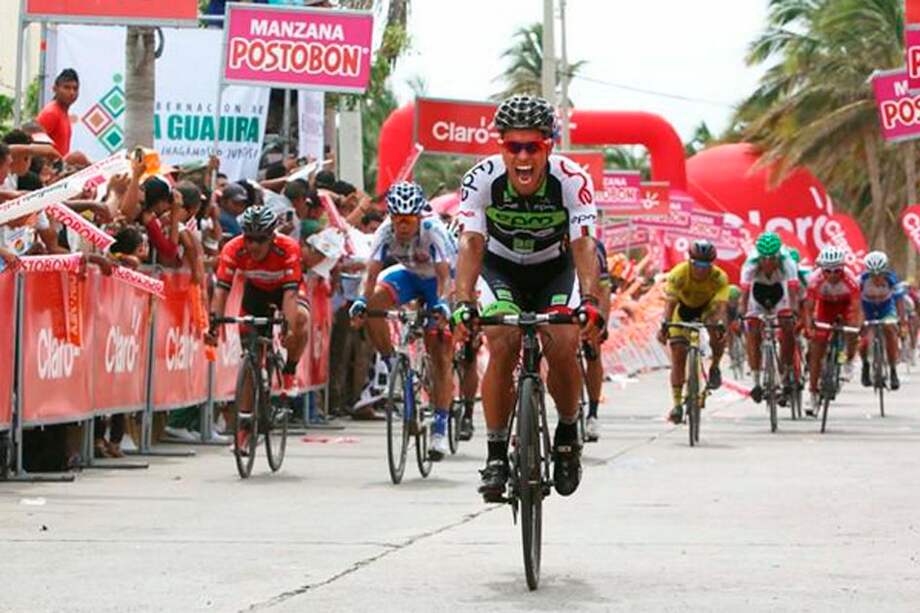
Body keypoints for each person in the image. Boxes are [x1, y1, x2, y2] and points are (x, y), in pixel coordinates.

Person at [450, 94, 603, 501]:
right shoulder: (480, 180)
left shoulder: (572, 180)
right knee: (501, 341)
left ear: (548, 146)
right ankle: (497, 453)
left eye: (531, 147)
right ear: (500, 146)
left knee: (564, 342)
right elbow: (470, 243)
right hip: (500, 270)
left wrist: (590, 300)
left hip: (555, 268)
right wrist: (463, 302)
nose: (521, 157)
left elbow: (585, 246)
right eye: (511, 146)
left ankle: (568, 431)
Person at [348, 182, 456, 460]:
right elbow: (371, 276)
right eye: (397, 219)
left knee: (441, 353)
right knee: (373, 304)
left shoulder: (433, 231)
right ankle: (391, 360)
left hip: (439, 281)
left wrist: (443, 305)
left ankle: (440, 428)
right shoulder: (385, 232)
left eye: (408, 220)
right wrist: (361, 301)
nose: (403, 226)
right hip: (408, 275)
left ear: (419, 216)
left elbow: (445, 278)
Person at [205, 206, 310, 452]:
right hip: (256, 293)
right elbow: (221, 290)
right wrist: (213, 323)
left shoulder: (288, 248)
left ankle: (289, 371)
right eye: (249, 238)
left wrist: (288, 324)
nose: (253, 246)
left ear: (272, 237)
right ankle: (243, 431)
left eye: (260, 240)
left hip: (286, 289)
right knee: (250, 359)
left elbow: (291, 294)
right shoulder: (233, 247)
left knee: (300, 321)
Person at [657, 240, 729, 424]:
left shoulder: (719, 277)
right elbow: (670, 303)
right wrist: (665, 324)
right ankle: (677, 404)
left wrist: (721, 325)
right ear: (690, 262)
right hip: (682, 310)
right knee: (678, 354)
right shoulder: (678, 274)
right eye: (697, 264)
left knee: (718, 332)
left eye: (706, 265)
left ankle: (715, 367)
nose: (701, 269)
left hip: (706, 309)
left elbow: (721, 306)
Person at [740, 231, 800, 403]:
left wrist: (793, 311)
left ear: (778, 256)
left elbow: (793, 290)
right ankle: (756, 381)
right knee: (753, 331)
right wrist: (743, 314)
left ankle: (786, 371)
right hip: (757, 292)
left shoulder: (787, 261)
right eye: (764, 259)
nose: (768, 262)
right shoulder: (750, 264)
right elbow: (744, 295)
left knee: (787, 328)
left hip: (779, 292)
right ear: (759, 257)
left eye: (772, 258)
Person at [801, 246, 860, 415]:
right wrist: (808, 326)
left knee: (851, 329)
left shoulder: (851, 280)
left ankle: (848, 360)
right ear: (821, 269)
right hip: (825, 307)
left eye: (837, 271)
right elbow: (809, 308)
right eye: (827, 271)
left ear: (843, 268)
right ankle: (812, 393)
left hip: (845, 305)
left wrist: (855, 326)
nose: (832, 275)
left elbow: (856, 309)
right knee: (816, 349)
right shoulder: (814, 280)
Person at [858, 251, 905, 390]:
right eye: (873, 274)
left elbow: (899, 302)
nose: (877, 277)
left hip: (886, 309)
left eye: (880, 274)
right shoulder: (861, 280)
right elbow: (856, 302)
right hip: (867, 309)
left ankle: (892, 370)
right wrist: (859, 321)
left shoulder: (892, 279)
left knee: (890, 331)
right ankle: (865, 364)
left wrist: (901, 322)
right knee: (864, 340)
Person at [583, 239, 613, 442]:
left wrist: (602, 323)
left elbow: (604, 291)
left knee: (593, 353)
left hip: (589, 301)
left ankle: (592, 413)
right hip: (562, 297)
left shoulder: (595, 247)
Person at [36, 68, 80, 156]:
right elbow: (34, 146)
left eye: (75, 88)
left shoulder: (62, 112)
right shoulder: (51, 113)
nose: (72, 92)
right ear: (55, 89)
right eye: (67, 87)